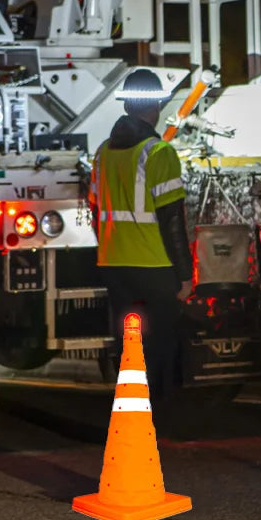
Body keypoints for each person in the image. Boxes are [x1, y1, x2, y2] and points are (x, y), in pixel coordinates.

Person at [88, 68, 194, 403]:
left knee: (128, 344)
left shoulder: (103, 152)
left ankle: (129, 410)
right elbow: (172, 221)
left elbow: (94, 210)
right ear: (158, 105)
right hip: (153, 266)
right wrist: (184, 275)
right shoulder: (159, 153)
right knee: (160, 345)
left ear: (125, 106)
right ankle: (157, 415)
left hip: (113, 263)